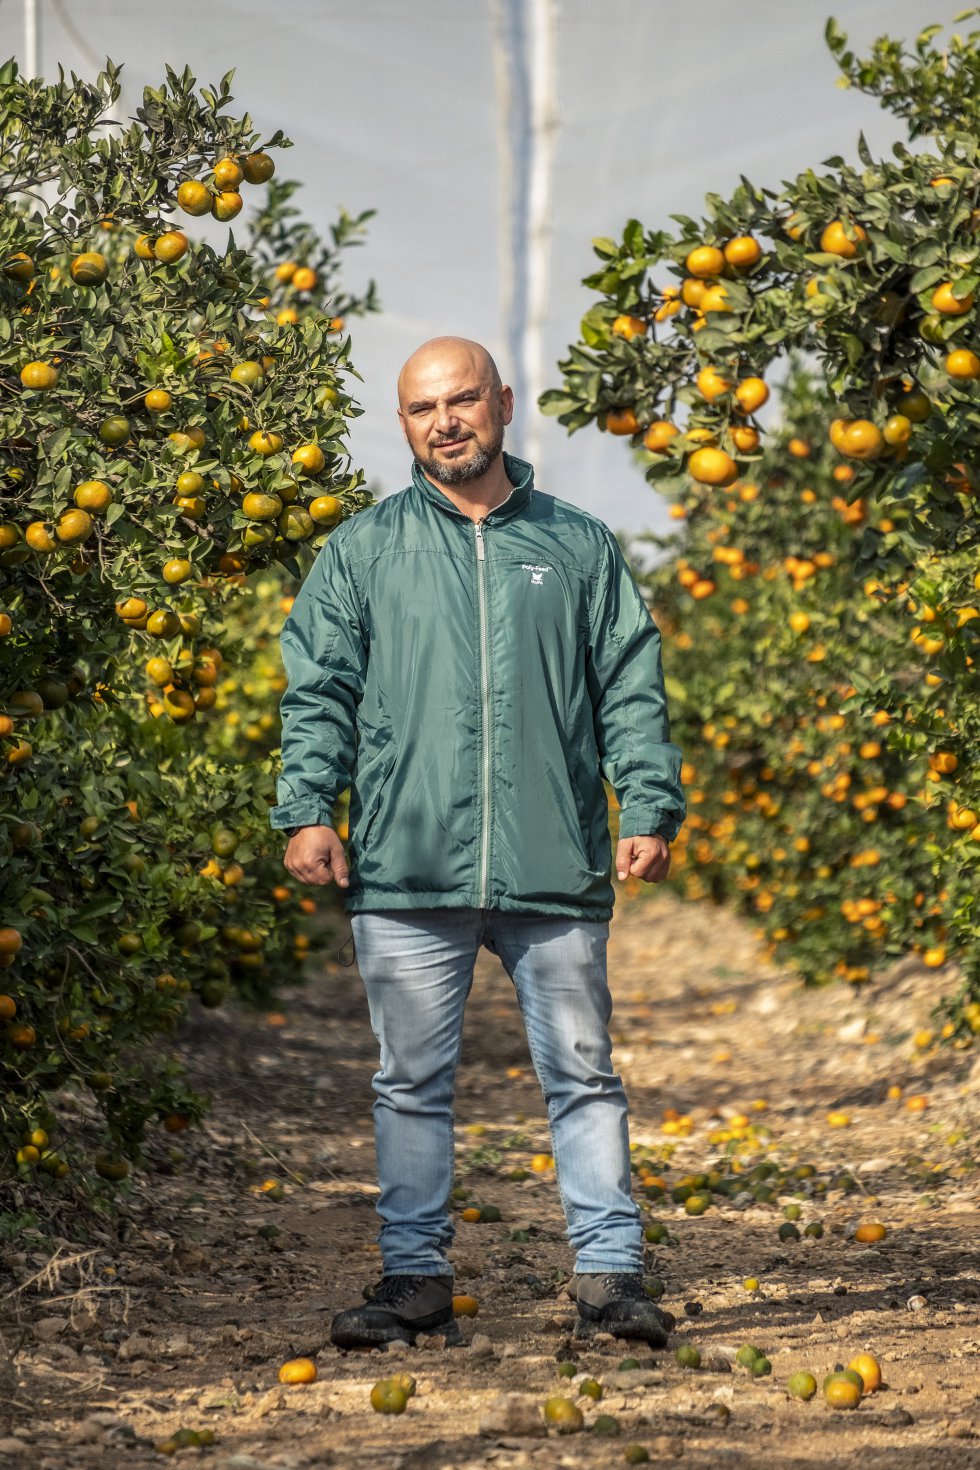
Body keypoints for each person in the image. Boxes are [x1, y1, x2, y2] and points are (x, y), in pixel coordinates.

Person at [270, 336, 686, 1351]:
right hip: (410, 867)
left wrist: (646, 804)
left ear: (501, 403)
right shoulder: (362, 550)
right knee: (408, 1083)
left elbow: (628, 683)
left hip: (553, 862)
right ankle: (413, 1278)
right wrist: (306, 807)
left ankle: (608, 1275)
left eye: (462, 400)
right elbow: (316, 687)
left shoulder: (578, 545)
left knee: (583, 1075)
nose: (445, 421)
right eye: (423, 409)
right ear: (403, 424)